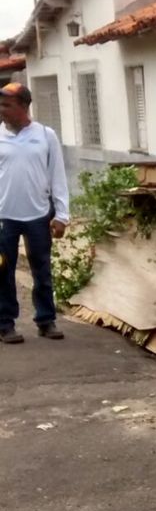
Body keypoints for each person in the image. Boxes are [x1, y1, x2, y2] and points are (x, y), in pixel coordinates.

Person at [0, 82, 69, 343]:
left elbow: (58, 176)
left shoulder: (45, 135)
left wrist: (61, 215)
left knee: (41, 270)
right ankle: (5, 324)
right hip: (4, 217)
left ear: (24, 106)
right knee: (2, 272)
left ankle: (46, 320)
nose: (1, 110)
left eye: (7, 105)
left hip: (39, 215)